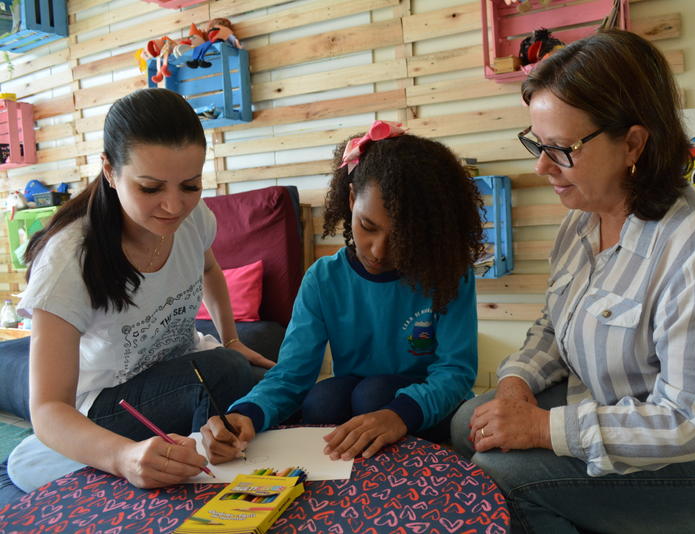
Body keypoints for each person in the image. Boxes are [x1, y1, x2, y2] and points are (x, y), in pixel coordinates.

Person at [451, 29, 695, 534]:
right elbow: (552, 327)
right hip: (621, 412)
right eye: (537, 144)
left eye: (561, 148)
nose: (542, 166)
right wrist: (515, 384)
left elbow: (694, 424)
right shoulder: (580, 222)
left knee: (504, 472)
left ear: (633, 142)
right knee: (468, 424)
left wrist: (544, 428)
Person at [0, 88, 272, 505]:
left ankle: (203, 450)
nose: (173, 205)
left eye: (190, 185)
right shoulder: (69, 261)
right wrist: (124, 457)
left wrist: (232, 336)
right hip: (102, 405)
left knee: (254, 368)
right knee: (225, 372)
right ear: (109, 170)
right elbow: (49, 410)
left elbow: (211, 269)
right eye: (149, 188)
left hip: (172, 370)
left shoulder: (193, 218)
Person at [201, 121, 484, 463]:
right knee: (323, 400)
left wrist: (398, 414)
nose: (378, 251)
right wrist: (245, 414)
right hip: (362, 397)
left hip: (427, 405)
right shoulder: (323, 279)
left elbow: (455, 373)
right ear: (351, 200)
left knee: (372, 395)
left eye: (401, 239)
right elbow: (292, 374)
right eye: (368, 226)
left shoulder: (448, 274)